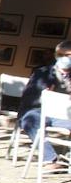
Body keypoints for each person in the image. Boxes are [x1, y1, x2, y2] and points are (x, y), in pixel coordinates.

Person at [18, 39, 71, 170]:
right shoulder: (42, 73)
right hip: (41, 112)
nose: (65, 59)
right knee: (30, 120)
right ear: (56, 56)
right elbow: (29, 98)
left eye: (68, 56)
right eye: (61, 55)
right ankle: (50, 159)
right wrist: (45, 94)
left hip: (65, 115)